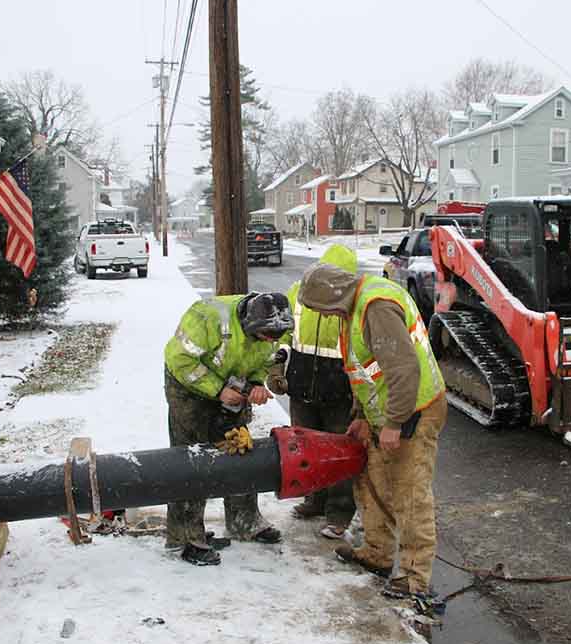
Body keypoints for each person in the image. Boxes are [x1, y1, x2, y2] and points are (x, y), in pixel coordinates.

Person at [297, 262, 447, 600]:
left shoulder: (375, 307)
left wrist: (395, 422)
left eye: (320, 308)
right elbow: (367, 369)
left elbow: (403, 369)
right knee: (371, 480)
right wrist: (363, 415)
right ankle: (377, 552)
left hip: (414, 411)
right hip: (387, 412)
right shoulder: (354, 308)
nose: (324, 315)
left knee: (409, 494)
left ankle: (413, 576)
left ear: (331, 297)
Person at [163, 292, 294, 566]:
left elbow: (262, 362)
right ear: (249, 323)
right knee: (191, 459)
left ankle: (245, 521)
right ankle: (186, 538)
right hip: (188, 386)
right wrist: (218, 390)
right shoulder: (207, 317)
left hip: (231, 384)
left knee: (239, 448)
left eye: (275, 336)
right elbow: (179, 360)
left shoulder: (273, 328)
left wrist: (256, 384)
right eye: (265, 335)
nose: (271, 340)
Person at [274, 244, 358, 539]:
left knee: (338, 452)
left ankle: (339, 512)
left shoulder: (353, 301)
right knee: (306, 447)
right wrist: (278, 363)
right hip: (301, 384)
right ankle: (314, 501)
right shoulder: (299, 291)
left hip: (339, 390)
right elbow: (283, 331)